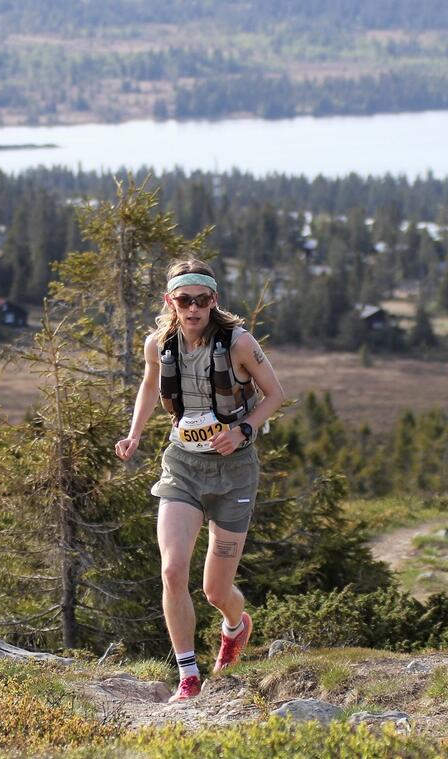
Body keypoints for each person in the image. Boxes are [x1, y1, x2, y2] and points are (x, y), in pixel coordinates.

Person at [115, 259, 286, 703]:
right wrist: (134, 434)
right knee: (172, 570)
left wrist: (243, 430)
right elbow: (151, 387)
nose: (193, 308)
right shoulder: (159, 344)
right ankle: (188, 675)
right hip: (182, 468)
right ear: (170, 301)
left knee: (215, 590)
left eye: (202, 300)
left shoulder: (239, 343)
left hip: (234, 473)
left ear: (214, 300)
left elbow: (276, 394)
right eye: (184, 299)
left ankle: (236, 626)